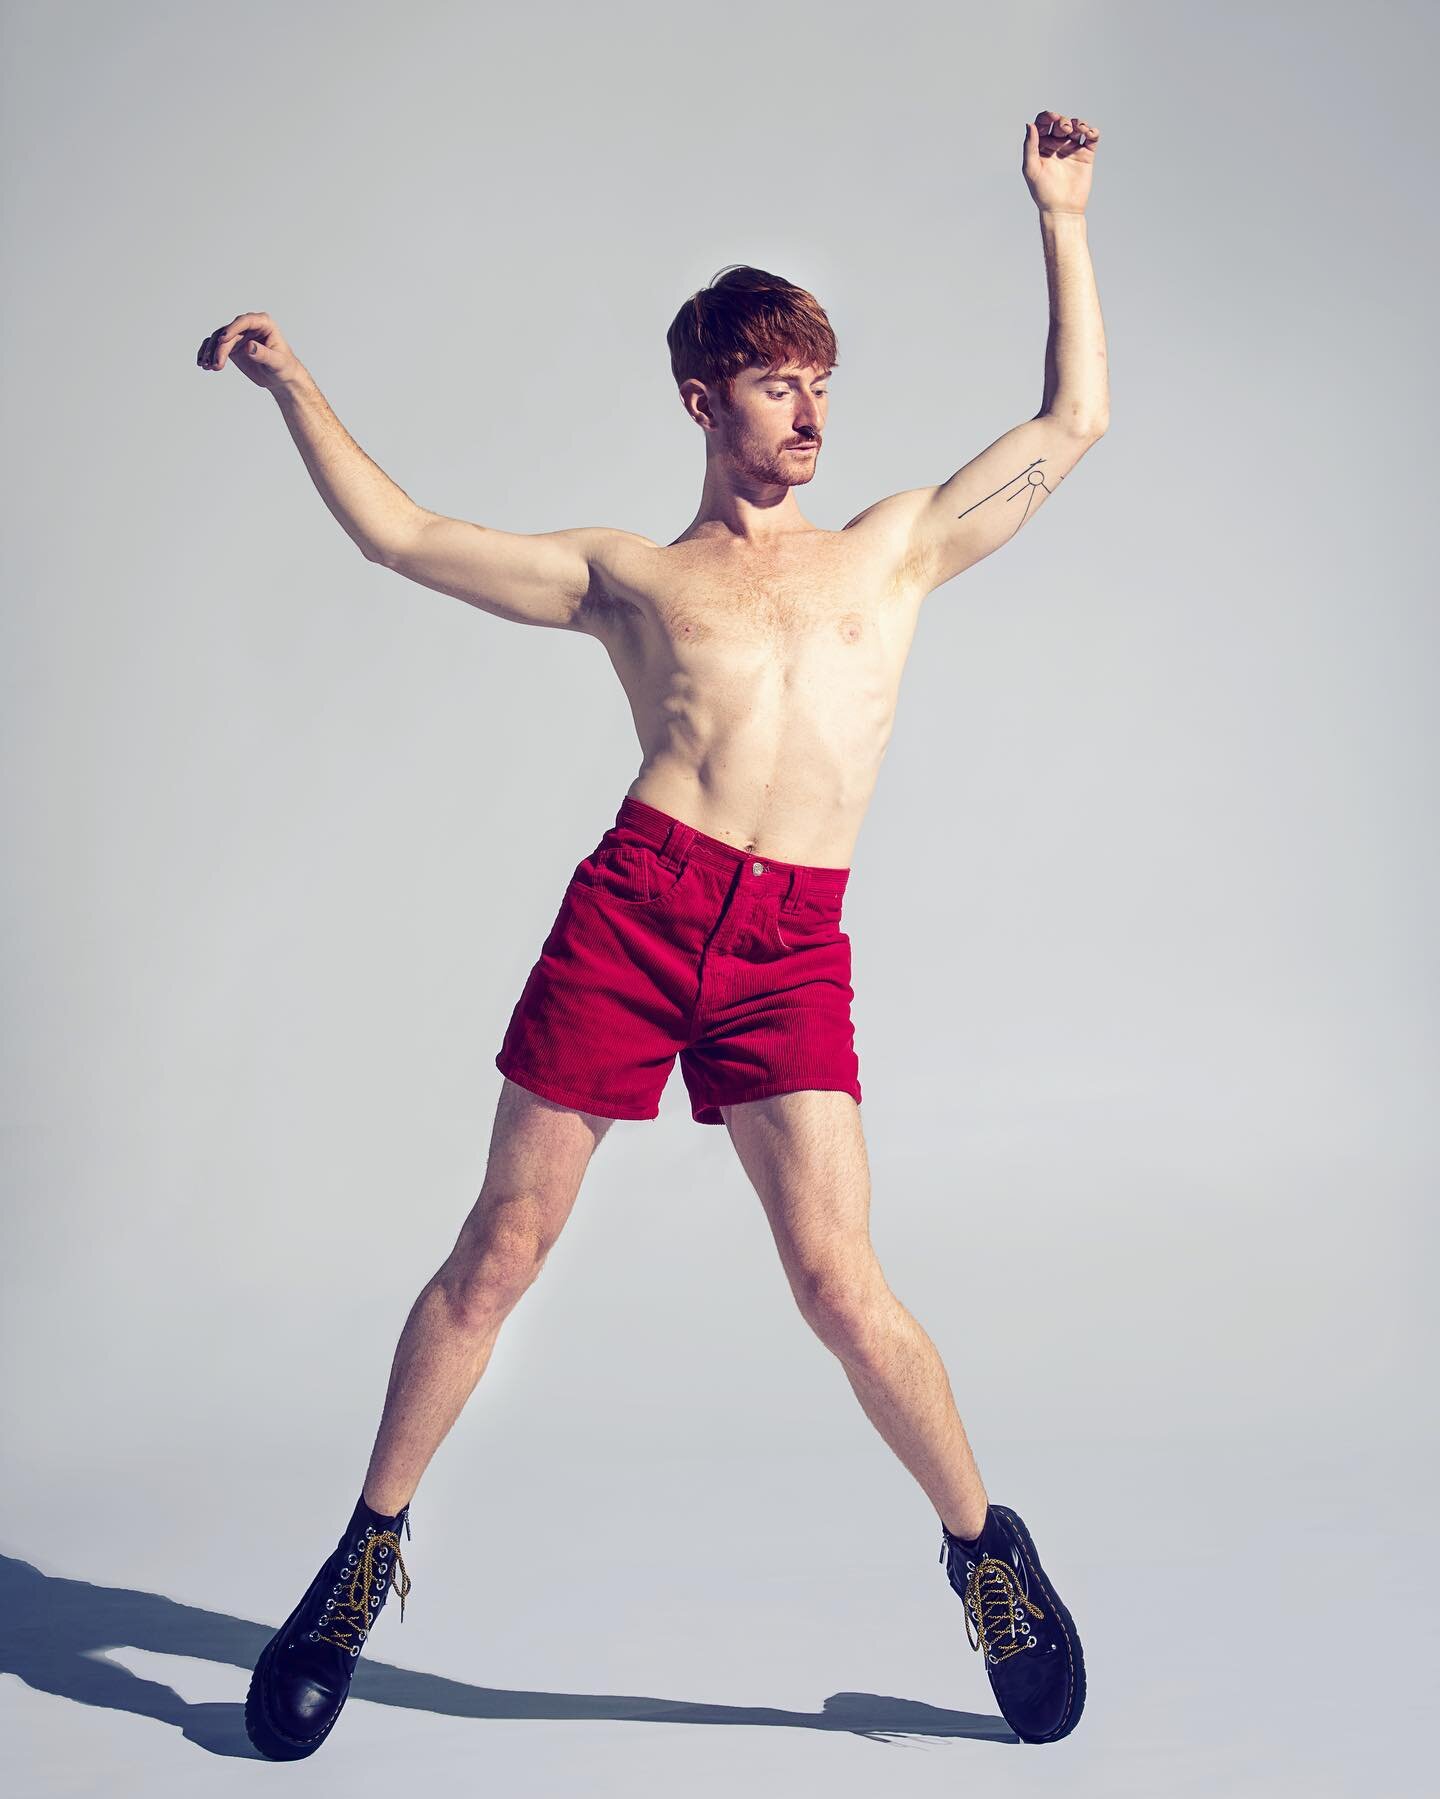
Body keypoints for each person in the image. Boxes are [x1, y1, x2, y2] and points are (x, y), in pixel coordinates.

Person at [199, 108, 1106, 1761]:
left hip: (790, 944)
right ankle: (361, 1560)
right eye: (778, 383)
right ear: (705, 400)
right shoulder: (632, 576)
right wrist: (295, 385)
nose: (811, 409)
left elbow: (1074, 418)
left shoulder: (892, 549)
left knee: (841, 1285)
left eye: (822, 378)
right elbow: (403, 538)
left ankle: (990, 1557)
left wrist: (1060, 214)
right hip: (636, 914)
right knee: (498, 1256)